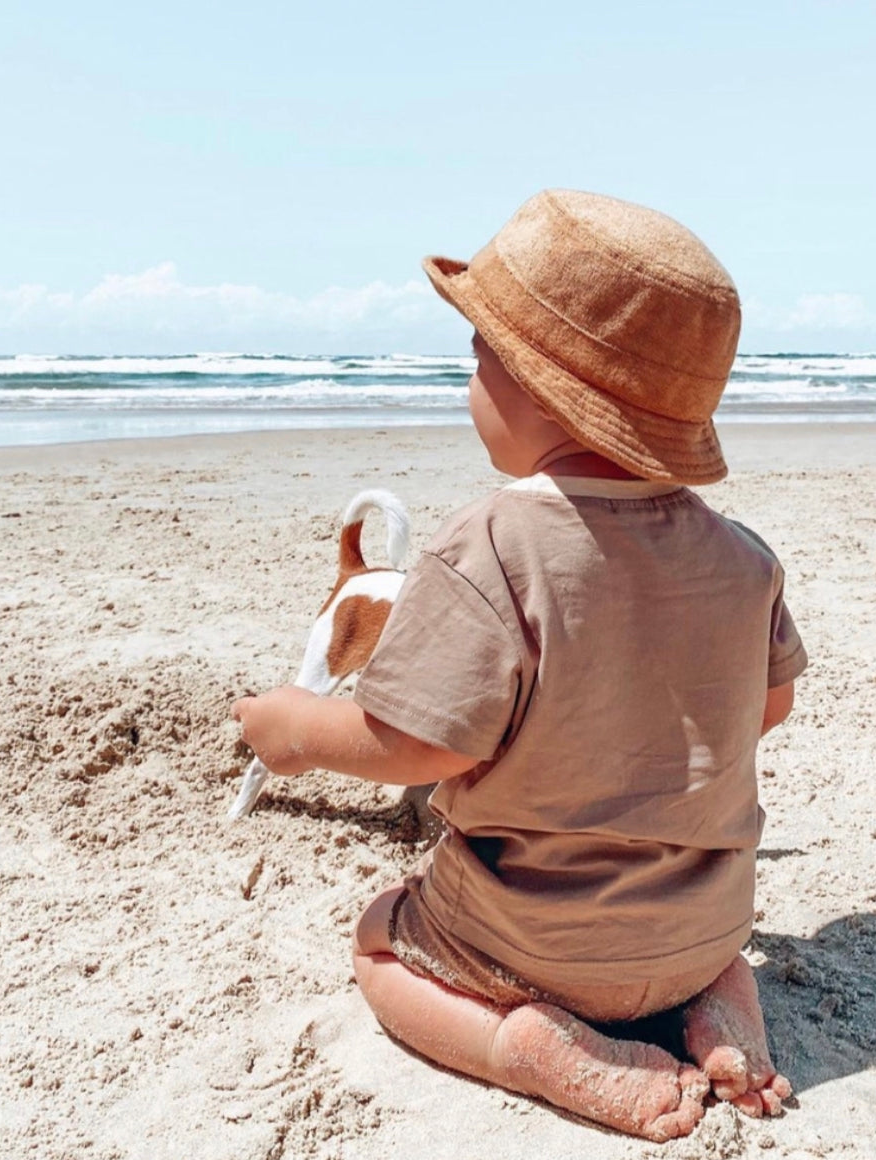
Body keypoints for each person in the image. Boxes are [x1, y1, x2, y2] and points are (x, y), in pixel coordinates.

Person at [232, 190, 807, 1142]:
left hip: (532, 943)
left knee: (380, 937)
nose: (469, 383)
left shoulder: (494, 543)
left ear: (539, 387)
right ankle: (721, 1009)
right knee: (715, 955)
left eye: (477, 357)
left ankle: (526, 1050)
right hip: (701, 930)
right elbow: (766, 703)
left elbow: (409, 743)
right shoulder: (744, 558)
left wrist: (291, 727)